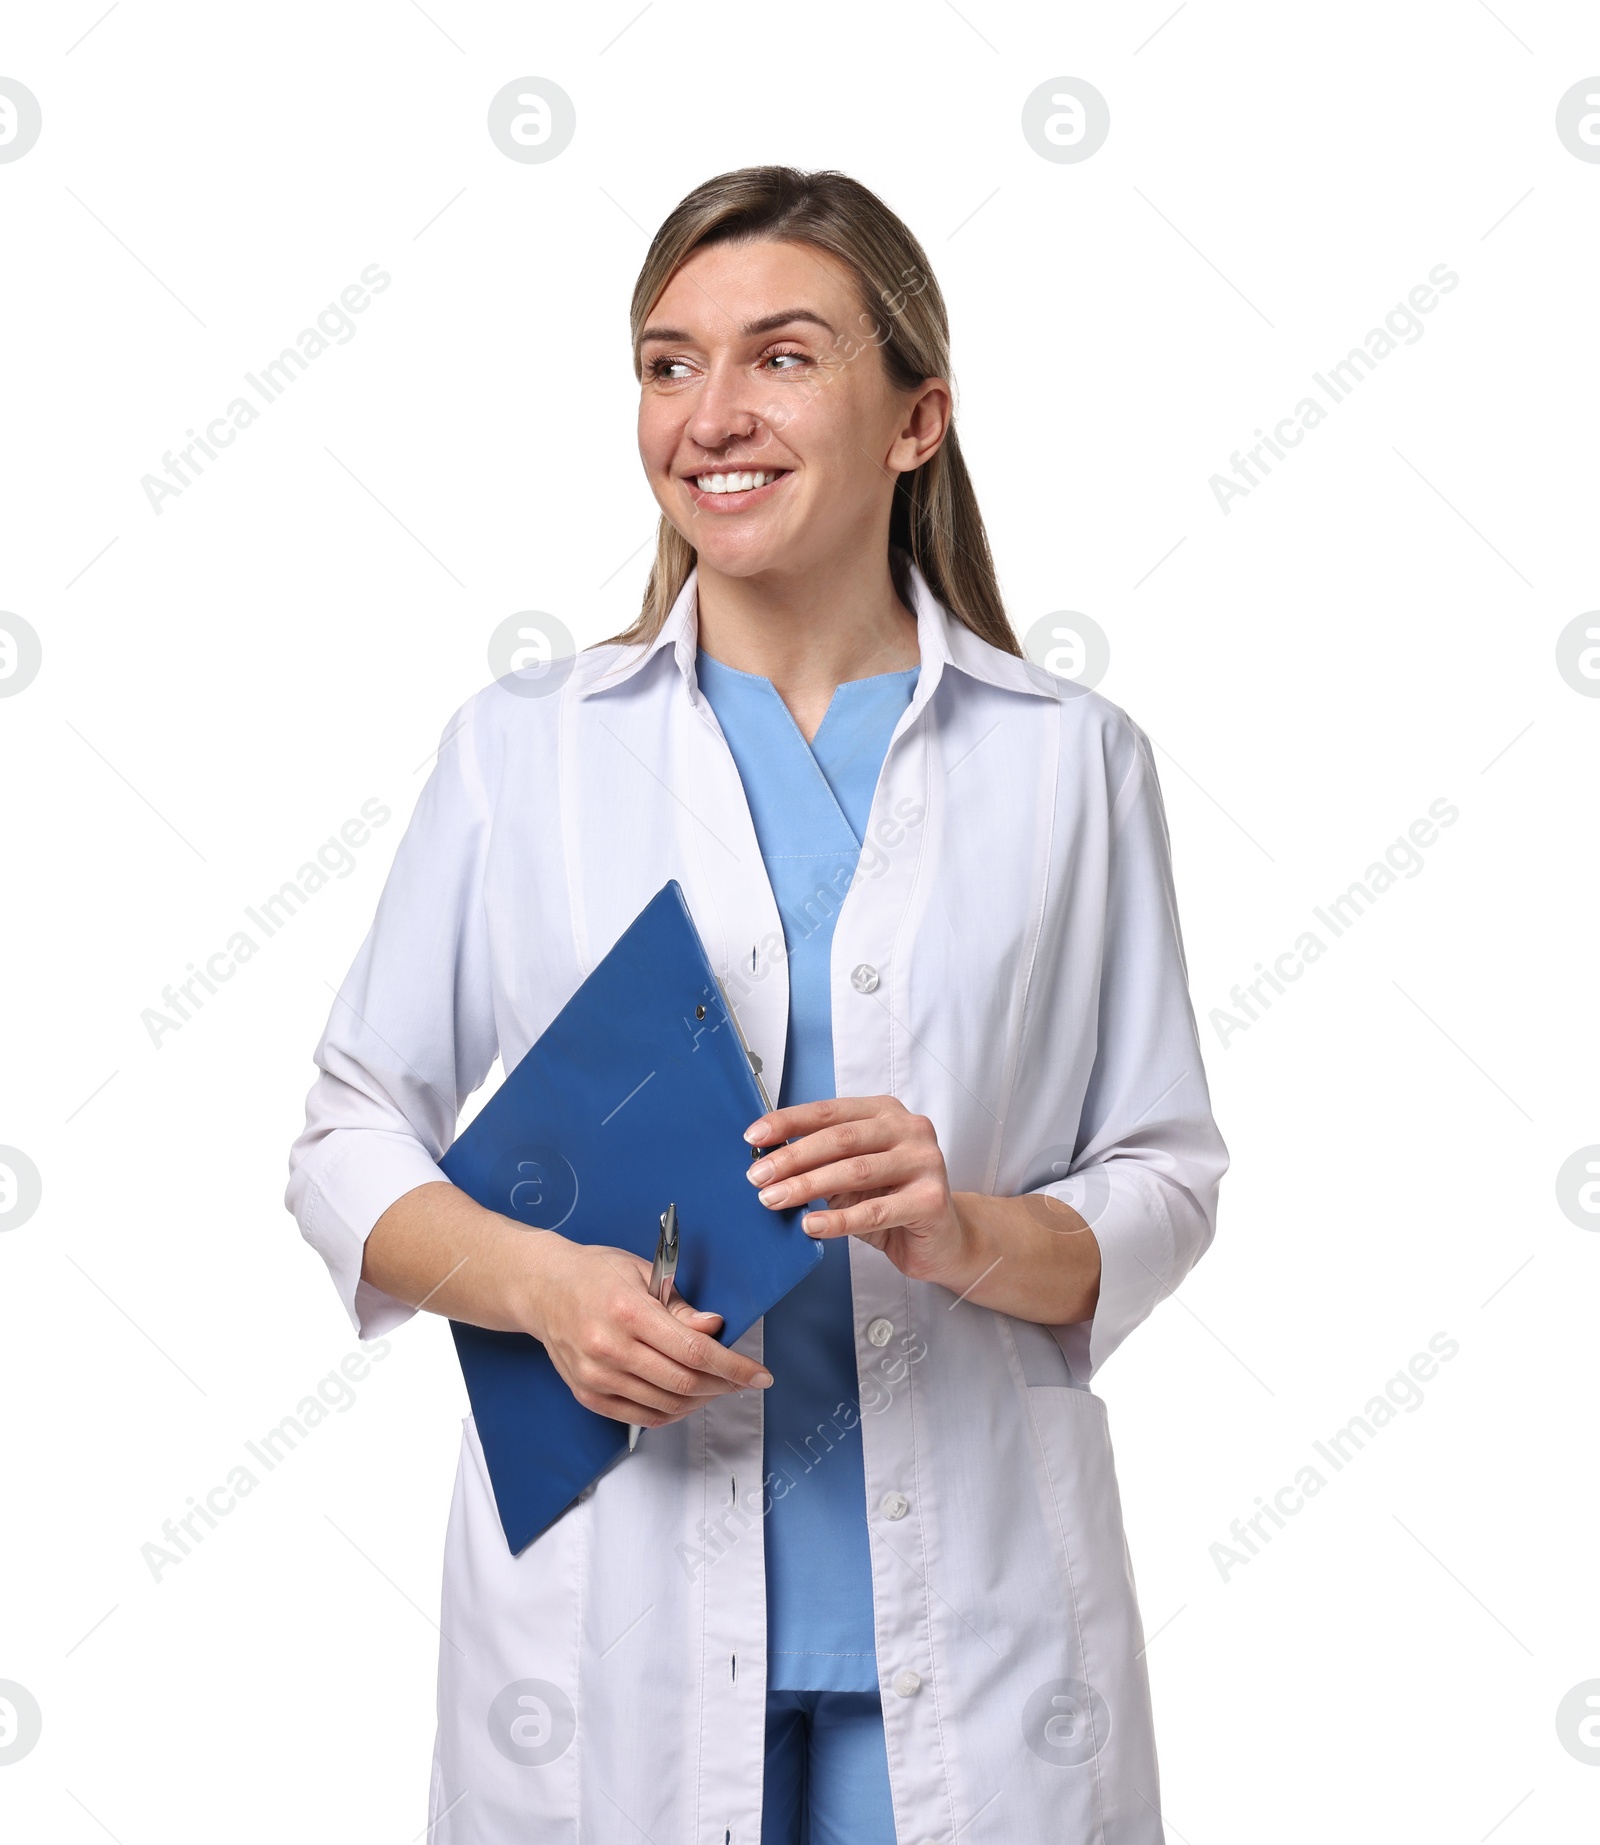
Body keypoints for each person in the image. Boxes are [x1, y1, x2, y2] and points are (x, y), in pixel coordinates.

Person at [286, 164, 1229, 1845]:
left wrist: (969, 1230)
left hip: (976, 1622)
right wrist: (543, 1287)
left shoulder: (1071, 762)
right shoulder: (527, 751)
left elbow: (1161, 1176)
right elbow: (349, 1130)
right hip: (615, 1608)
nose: (710, 415)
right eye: (667, 364)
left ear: (916, 417)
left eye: (782, 358)